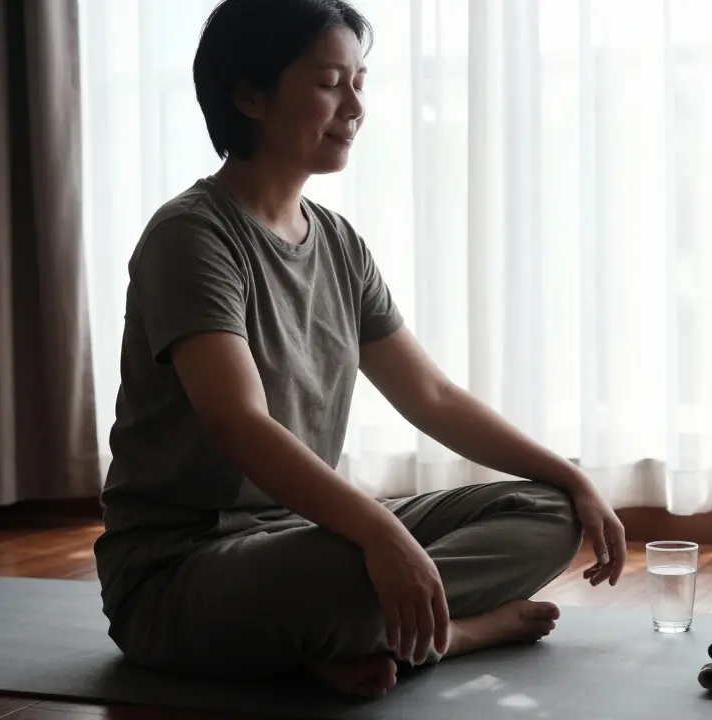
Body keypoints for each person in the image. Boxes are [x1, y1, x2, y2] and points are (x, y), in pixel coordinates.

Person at [91, 0, 627, 699]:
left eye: (359, 82)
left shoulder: (339, 243)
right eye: (328, 82)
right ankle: (457, 631)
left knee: (549, 513)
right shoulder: (191, 238)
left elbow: (430, 396)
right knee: (351, 571)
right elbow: (238, 424)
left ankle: (356, 635)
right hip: (177, 575)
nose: (354, 106)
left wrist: (575, 478)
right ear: (249, 95)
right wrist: (378, 536)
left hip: (308, 534)